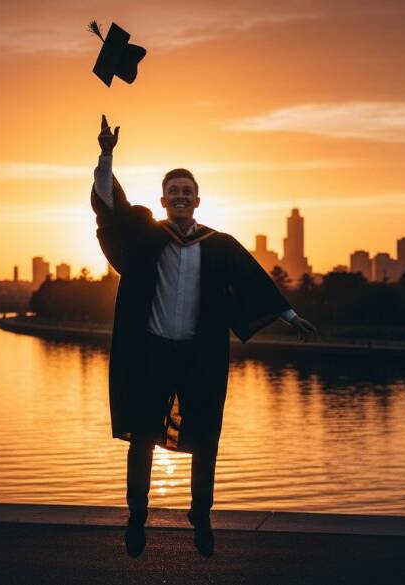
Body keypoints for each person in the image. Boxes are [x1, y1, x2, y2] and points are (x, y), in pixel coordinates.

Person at [91, 114, 317, 557]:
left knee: (205, 436)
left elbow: (255, 283)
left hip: (199, 355)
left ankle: (202, 514)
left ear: (197, 201)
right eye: (173, 191)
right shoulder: (146, 236)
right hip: (151, 352)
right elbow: (109, 207)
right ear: (163, 199)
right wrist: (106, 155)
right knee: (143, 436)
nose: (180, 196)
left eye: (187, 192)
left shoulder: (218, 244)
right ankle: (138, 516)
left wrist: (290, 315)